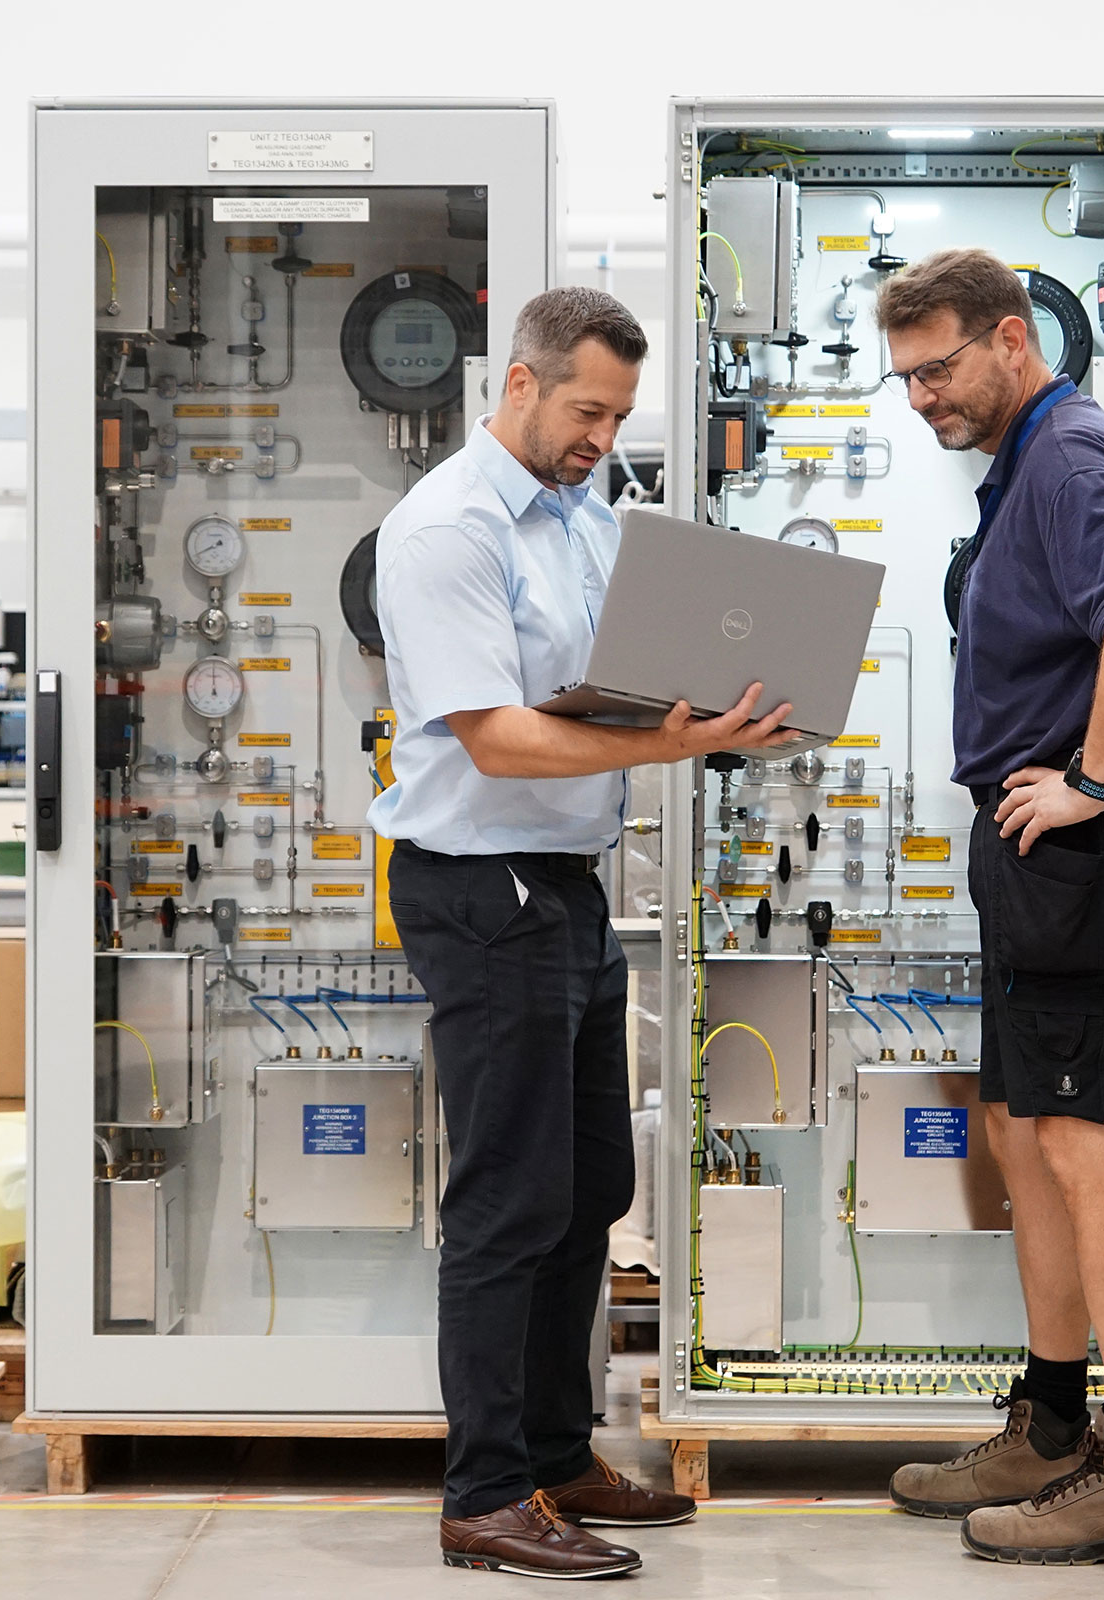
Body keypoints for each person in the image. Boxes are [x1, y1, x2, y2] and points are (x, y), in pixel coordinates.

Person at [371, 285, 797, 1580]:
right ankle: (485, 1494)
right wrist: (675, 738)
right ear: (519, 383)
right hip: (477, 880)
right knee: (507, 1201)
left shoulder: (586, 516)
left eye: (617, 415)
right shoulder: (449, 528)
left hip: (563, 879)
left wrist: (733, 689)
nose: (600, 434)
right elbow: (498, 737)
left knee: (588, 1188)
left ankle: (558, 1452)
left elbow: (631, 665)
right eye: (585, 409)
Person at [872, 249, 1104, 1565]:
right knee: (1021, 1126)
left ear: (1015, 339)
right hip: (1030, 850)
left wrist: (1091, 781)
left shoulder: (1067, 456)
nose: (921, 399)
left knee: (1082, 1140)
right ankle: (1054, 1423)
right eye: (904, 378)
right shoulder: (1026, 467)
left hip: (1073, 846)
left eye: (939, 368)